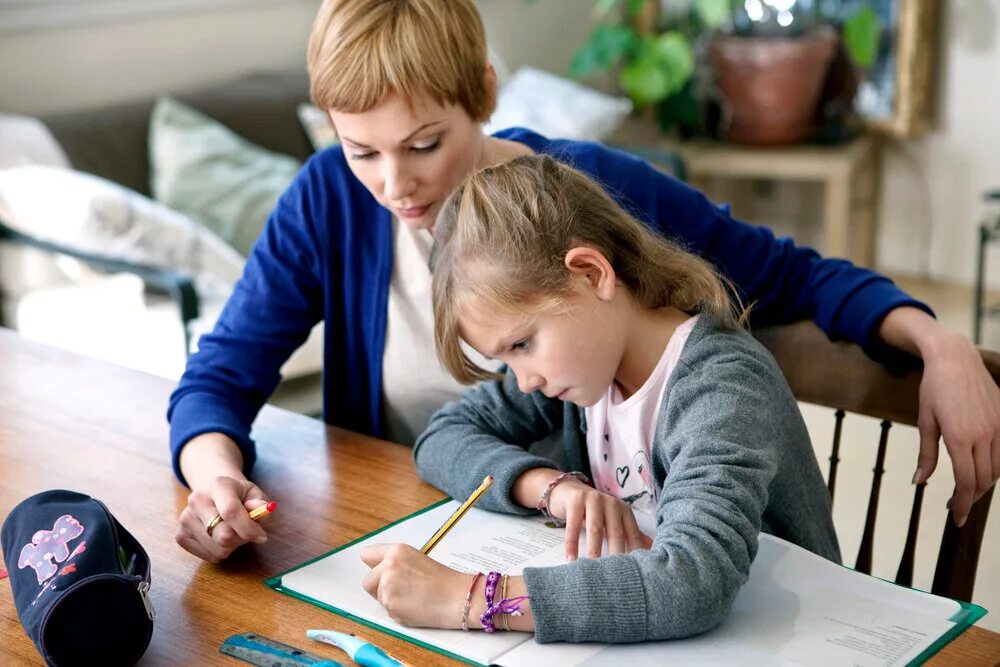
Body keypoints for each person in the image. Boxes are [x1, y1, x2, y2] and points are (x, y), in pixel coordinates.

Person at [169, 0, 1000, 564]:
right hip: (424, 527)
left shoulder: (585, 192)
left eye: (425, 144)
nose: (395, 184)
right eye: (362, 151)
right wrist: (216, 481)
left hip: (587, 558)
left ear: (483, 96)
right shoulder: (325, 199)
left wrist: (937, 340)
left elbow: (786, 275)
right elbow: (219, 377)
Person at [358, 154, 840, 641]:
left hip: (790, 638)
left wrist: (470, 597)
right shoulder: (586, 370)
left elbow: (692, 581)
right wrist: (550, 487)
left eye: (522, 344)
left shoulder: (722, 388)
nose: (524, 380)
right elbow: (442, 436)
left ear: (590, 274)